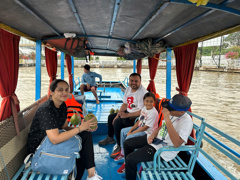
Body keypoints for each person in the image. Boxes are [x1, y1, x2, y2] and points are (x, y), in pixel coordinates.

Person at [27, 79, 102, 180]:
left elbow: (65, 127)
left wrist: (84, 128)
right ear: (52, 92)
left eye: (67, 90)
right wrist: (80, 128)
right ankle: (90, 175)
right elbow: (55, 139)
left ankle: (91, 174)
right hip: (41, 147)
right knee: (82, 147)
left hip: (52, 139)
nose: (64, 92)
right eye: (60, 90)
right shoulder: (46, 109)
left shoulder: (62, 105)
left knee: (85, 135)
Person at [119, 94, 193, 179]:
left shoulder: (187, 122)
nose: (167, 110)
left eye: (171, 109)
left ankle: (129, 168)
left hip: (163, 149)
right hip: (156, 139)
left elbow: (177, 144)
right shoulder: (174, 113)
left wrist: (167, 119)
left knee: (130, 159)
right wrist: (153, 134)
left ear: (182, 112)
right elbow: (162, 126)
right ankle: (128, 168)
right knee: (127, 143)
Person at [98, 73, 148, 159]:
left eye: (136, 81)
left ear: (140, 82)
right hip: (128, 112)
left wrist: (126, 115)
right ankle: (110, 138)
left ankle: (120, 146)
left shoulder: (142, 93)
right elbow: (125, 103)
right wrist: (118, 114)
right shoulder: (128, 89)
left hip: (136, 117)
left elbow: (141, 112)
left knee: (118, 122)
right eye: (131, 81)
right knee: (111, 117)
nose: (133, 83)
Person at [114, 92, 158, 164]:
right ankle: (122, 152)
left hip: (147, 132)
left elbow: (145, 127)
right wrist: (131, 130)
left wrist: (132, 133)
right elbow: (139, 122)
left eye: (151, 101)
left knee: (128, 138)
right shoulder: (144, 108)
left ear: (154, 102)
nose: (149, 103)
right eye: (147, 101)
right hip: (140, 128)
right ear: (144, 101)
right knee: (123, 131)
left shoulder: (153, 112)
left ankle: (127, 161)